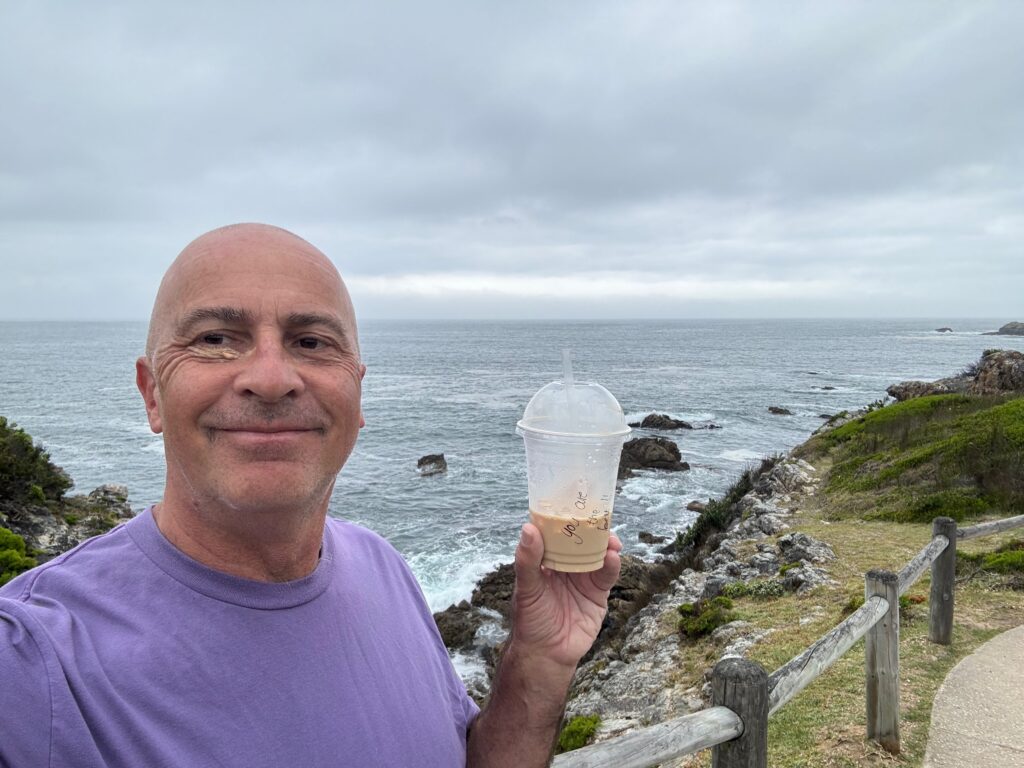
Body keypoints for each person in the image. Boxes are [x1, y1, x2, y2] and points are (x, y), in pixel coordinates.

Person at [0, 223, 621, 768]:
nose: (271, 379)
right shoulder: (34, 660)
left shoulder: (386, 569)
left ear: (357, 393)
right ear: (152, 393)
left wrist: (538, 659)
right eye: (216, 338)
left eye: (311, 342)